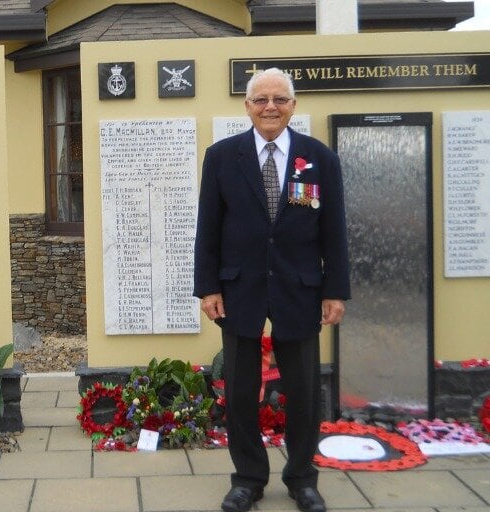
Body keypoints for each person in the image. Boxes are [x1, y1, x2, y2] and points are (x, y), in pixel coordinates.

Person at [193, 67, 350, 512]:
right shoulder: (223, 157)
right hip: (239, 289)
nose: (270, 107)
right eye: (261, 99)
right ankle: (248, 477)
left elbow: (334, 231)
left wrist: (334, 290)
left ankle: (302, 477)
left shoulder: (319, 157)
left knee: (302, 391)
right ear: (247, 107)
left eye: (280, 99)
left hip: (300, 289)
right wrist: (208, 287)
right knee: (241, 392)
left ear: (293, 106)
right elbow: (209, 228)